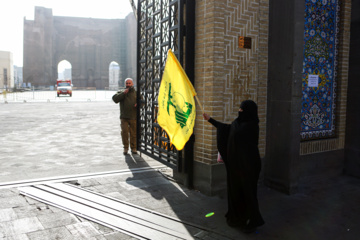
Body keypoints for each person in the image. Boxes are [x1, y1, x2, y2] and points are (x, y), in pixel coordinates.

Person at [203, 100, 264, 233]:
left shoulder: (252, 126)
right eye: (239, 109)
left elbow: (239, 137)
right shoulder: (239, 123)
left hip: (249, 167)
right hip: (236, 166)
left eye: (242, 110)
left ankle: (252, 219)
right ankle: (237, 216)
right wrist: (210, 120)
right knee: (236, 191)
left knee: (248, 192)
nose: (239, 111)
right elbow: (226, 129)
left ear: (248, 111)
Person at [112, 78, 137, 155]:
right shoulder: (121, 92)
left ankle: (134, 148)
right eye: (127, 83)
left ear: (132, 84)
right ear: (125, 84)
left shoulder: (136, 93)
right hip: (124, 117)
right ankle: (125, 148)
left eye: (129, 83)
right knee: (124, 133)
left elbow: (142, 101)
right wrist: (124, 93)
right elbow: (115, 99)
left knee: (133, 133)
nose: (128, 85)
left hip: (133, 116)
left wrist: (139, 104)